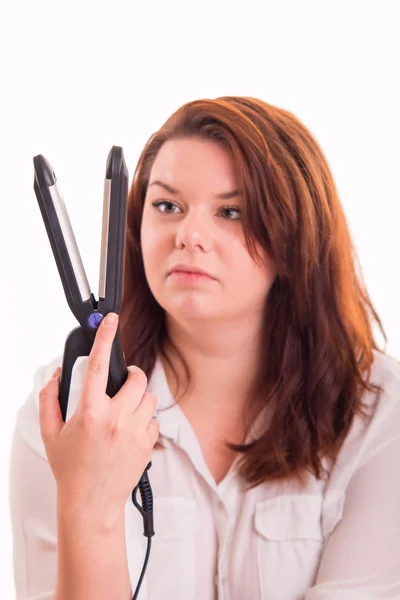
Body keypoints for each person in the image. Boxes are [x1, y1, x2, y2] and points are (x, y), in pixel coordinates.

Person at [9, 96, 400, 600]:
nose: (190, 235)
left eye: (232, 211)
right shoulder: (64, 411)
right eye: (167, 205)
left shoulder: (377, 414)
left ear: (294, 237)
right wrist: (90, 507)